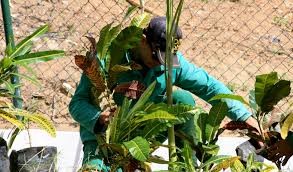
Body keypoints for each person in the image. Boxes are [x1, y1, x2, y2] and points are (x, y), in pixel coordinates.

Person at [69, 16, 260, 171]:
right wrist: (99, 119)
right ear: (143, 41)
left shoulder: (168, 63)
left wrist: (245, 117)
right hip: (104, 138)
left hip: (142, 135)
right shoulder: (109, 58)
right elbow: (77, 103)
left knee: (181, 101)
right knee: (95, 169)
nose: (163, 63)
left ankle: (186, 167)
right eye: (158, 56)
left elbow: (210, 87)